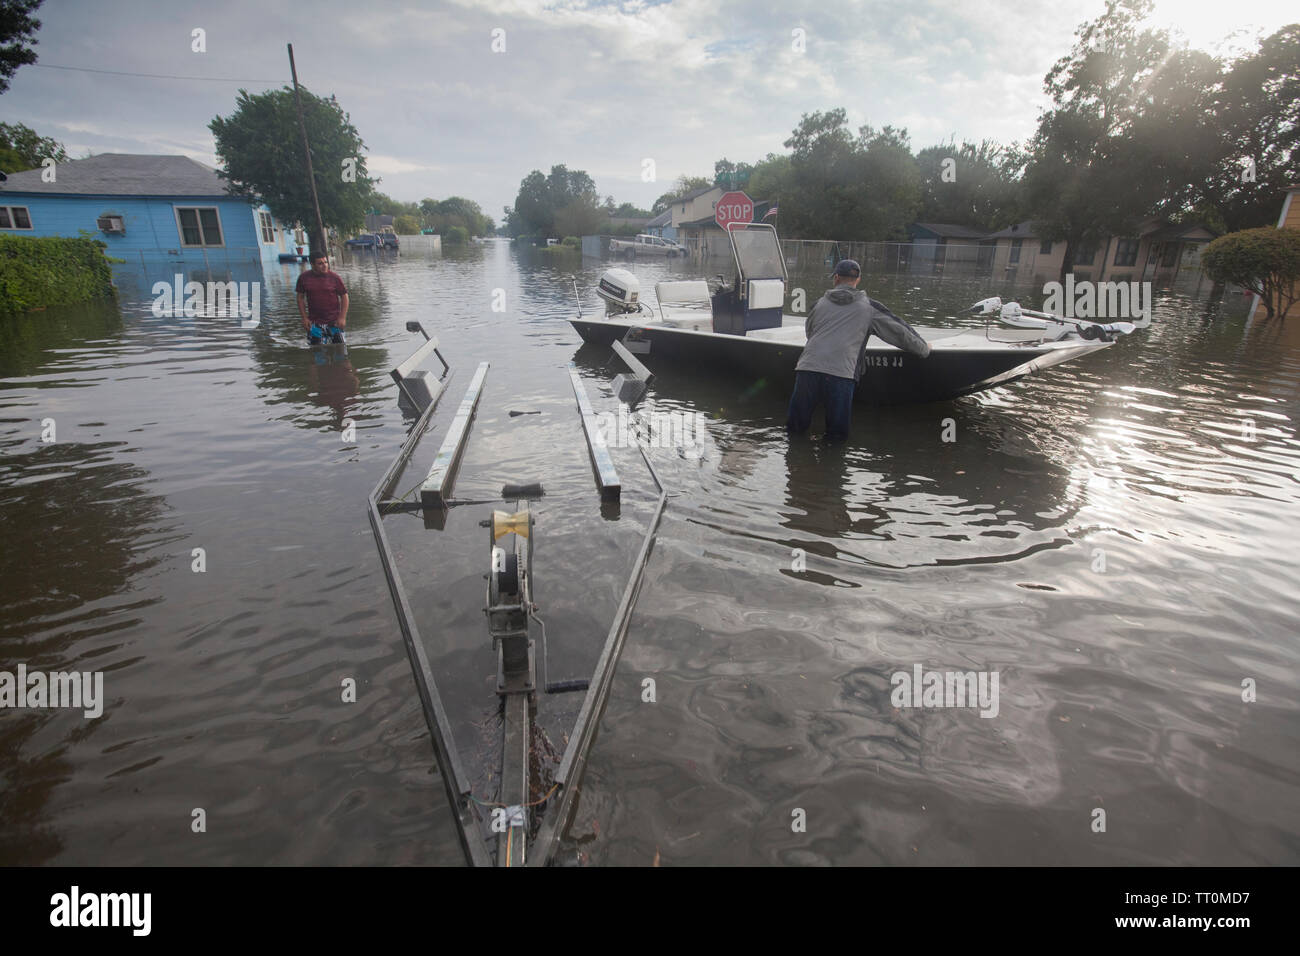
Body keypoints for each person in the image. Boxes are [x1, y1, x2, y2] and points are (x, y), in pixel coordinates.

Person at [786, 259, 931, 442]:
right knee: (836, 437)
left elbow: (810, 333)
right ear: (858, 279)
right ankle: (831, 468)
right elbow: (900, 333)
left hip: (807, 370)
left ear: (836, 278)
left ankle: (794, 464)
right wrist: (924, 349)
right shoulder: (870, 308)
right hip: (842, 375)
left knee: (794, 430)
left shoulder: (818, 304)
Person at [296, 252, 349, 344]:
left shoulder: (334, 278)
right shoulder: (304, 278)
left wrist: (342, 317)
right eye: (320, 263)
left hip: (334, 322)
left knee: (340, 351)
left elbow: (344, 296)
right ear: (312, 265)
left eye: (325, 262)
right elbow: (300, 297)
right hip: (314, 323)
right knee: (317, 352)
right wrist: (304, 318)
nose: (324, 265)